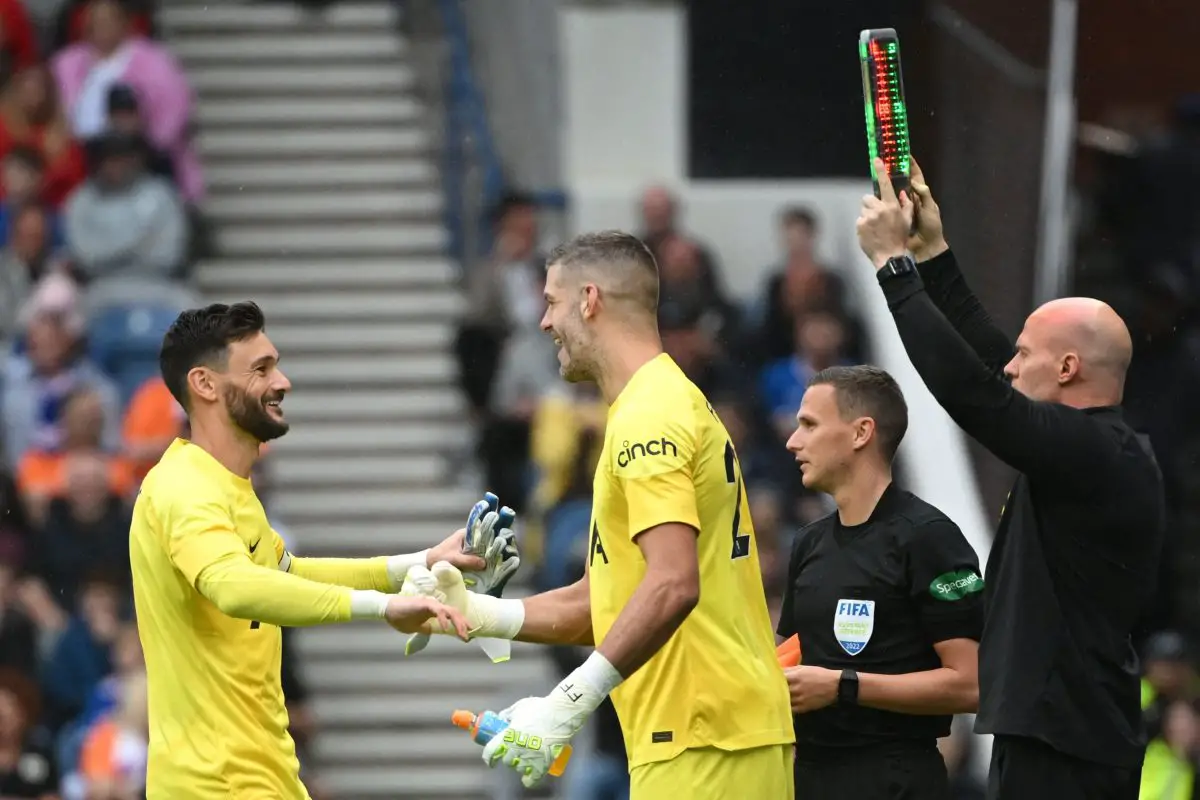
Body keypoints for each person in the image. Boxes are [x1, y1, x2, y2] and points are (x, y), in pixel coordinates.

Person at [403, 231, 794, 798]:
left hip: (707, 735)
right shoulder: (649, 405)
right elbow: (600, 602)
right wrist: (478, 614)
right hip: (702, 736)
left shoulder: (649, 415)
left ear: (589, 300)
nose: (543, 322)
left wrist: (567, 703)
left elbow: (673, 582)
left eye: (552, 302)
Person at [855, 158, 1166, 800]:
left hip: (1067, 743)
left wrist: (895, 269)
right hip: (1057, 732)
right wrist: (932, 253)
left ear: (1070, 367)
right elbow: (992, 370)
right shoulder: (1092, 447)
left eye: (1027, 355)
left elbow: (975, 394)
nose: (1011, 366)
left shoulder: (1093, 452)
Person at [129, 301, 518, 799]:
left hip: (266, 781)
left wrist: (415, 565)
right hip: (214, 787)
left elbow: (287, 573)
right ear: (205, 384)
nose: (282, 382)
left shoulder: (230, 489)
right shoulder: (182, 487)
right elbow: (232, 585)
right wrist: (382, 607)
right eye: (261, 369)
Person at [778, 364, 982, 798]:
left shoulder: (928, 537)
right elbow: (795, 657)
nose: (793, 441)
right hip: (809, 778)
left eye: (809, 425)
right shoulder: (808, 542)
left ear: (860, 433)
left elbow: (972, 684)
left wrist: (843, 686)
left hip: (895, 778)